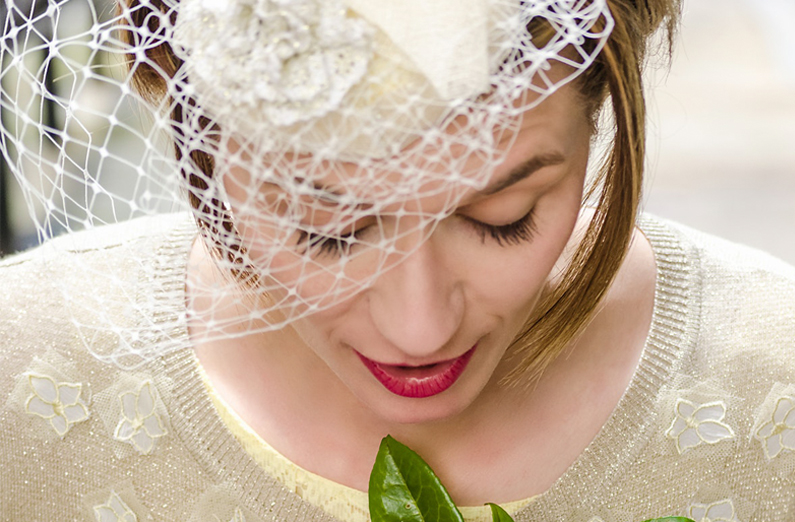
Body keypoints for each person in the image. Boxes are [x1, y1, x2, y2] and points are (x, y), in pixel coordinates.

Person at [1, 0, 794, 521]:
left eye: (502, 220)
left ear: (594, 120)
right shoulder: (25, 373)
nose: (419, 332)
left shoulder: (771, 386)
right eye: (325, 228)